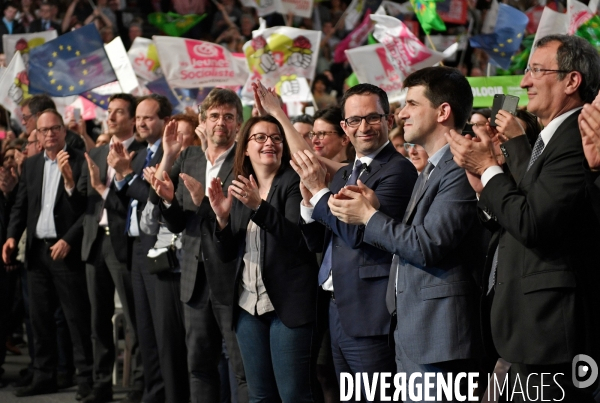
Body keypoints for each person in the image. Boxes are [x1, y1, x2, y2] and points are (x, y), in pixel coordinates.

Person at [446, 34, 600, 401]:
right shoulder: (549, 140)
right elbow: (511, 216)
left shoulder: (578, 135)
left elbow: (533, 223)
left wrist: (488, 170)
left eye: (535, 70)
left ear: (571, 80)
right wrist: (485, 187)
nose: (524, 82)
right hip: (523, 330)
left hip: (548, 333)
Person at [327, 67, 485, 402]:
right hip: (415, 332)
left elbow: (427, 245)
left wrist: (369, 216)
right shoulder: (432, 169)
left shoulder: (457, 169)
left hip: (439, 338)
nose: (401, 113)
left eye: (411, 103)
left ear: (443, 112)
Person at [282, 83, 417, 400]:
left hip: (371, 313)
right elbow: (322, 242)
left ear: (389, 119)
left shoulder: (398, 171)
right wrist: (308, 205)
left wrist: (319, 194)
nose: (364, 127)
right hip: (336, 308)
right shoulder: (345, 174)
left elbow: (357, 235)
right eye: (355, 120)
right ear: (344, 126)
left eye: (373, 117)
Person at [207, 115, 318, 402]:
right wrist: (221, 220)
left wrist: (258, 206)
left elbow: (300, 241)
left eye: (276, 138)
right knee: (259, 396)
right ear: (245, 147)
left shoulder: (294, 182)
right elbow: (227, 254)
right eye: (260, 137)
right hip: (247, 307)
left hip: (287, 307)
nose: (269, 142)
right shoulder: (241, 184)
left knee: (293, 395)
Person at [154, 88, 248, 403]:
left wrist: (203, 202)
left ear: (238, 124)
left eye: (228, 117)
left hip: (235, 280)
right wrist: (169, 201)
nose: (221, 122)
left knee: (242, 369)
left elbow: (239, 222)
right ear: (203, 122)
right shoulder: (190, 157)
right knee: (199, 366)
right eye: (215, 116)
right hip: (194, 281)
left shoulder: (245, 162)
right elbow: (178, 223)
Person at [3, 109, 94, 399]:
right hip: (36, 253)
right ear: (38, 136)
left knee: (76, 320)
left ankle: (86, 379)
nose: (50, 134)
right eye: (44, 130)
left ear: (64, 132)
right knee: (39, 319)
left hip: (66, 250)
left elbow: (89, 210)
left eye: (56, 128)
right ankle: (44, 374)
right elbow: (21, 205)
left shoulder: (80, 162)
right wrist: (11, 236)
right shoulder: (31, 165)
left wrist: (69, 239)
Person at [74, 94, 146, 403]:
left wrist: (110, 184)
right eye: (109, 111)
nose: (112, 117)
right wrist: (70, 182)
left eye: (119, 112)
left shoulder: (143, 154)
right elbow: (81, 195)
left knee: (135, 318)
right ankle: (101, 384)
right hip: (95, 242)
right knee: (97, 319)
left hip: (125, 244)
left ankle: (140, 386)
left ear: (132, 119)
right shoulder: (99, 150)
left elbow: (137, 200)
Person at [111, 94, 169, 403]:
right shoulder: (138, 152)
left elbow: (152, 197)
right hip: (134, 247)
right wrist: (120, 176)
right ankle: (151, 389)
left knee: (159, 330)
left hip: (158, 249)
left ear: (164, 121)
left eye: (148, 118)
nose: (141, 123)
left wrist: (126, 175)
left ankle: (159, 392)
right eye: (139, 118)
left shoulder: (169, 153)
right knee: (143, 328)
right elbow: (118, 199)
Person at [21, 95, 86, 152]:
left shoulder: (72, 141)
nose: (23, 122)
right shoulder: (26, 142)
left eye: (25, 117)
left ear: (39, 116)